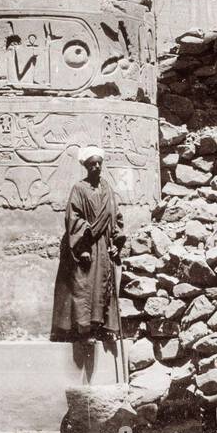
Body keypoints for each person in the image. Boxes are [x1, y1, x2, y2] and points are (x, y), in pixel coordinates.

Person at [52, 145, 125, 341]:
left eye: (99, 163)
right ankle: (84, 331)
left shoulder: (108, 188)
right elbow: (73, 218)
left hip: (105, 246)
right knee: (84, 288)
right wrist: (83, 246)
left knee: (104, 287)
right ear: (86, 166)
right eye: (92, 164)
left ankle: (102, 329)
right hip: (87, 246)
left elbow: (115, 215)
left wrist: (116, 240)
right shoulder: (79, 189)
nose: (97, 167)